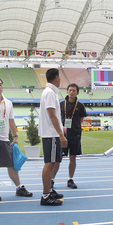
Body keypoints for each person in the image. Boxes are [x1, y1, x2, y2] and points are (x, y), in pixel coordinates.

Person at [0, 77, 33, 201]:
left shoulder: (8, 103)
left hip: (5, 139)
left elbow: (11, 121)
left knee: (11, 165)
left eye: (0, 84)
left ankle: (19, 187)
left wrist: (15, 136)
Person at [38, 68, 67, 206]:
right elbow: (52, 115)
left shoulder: (50, 92)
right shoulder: (50, 93)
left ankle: (49, 190)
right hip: (52, 134)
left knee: (54, 162)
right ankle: (45, 195)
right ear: (56, 78)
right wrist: (61, 134)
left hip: (51, 133)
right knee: (50, 163)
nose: (60, 79)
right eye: (59, 77)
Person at [59, 83, 87, 189]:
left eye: (74, 90)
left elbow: (81, 119)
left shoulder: (80, 106)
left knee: (73, 158)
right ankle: (52, 180)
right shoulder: (61, 104)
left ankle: (70, 179)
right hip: (63, 135)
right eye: (70, 90)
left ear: (77, 92)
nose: (72, 92)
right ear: (67, 92)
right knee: (58, 158)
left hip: (75, 135)